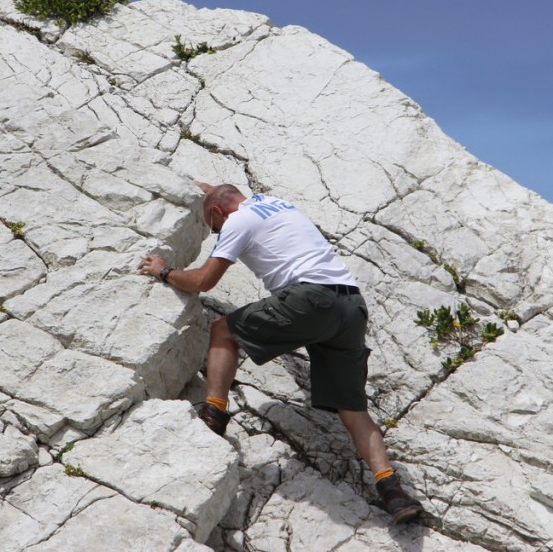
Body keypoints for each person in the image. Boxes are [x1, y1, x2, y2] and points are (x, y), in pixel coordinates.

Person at [137, 182, 424, 524]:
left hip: (310, 301)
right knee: (352, 409)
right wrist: (201, 187)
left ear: (218, 213)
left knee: (223, 330)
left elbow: (203, 281)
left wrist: (165, 271)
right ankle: (393, 492)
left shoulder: (237, 222)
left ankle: (214, 416)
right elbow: (222, 193)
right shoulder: (276, 204)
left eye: (214, 227)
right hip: (351, 308)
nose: (218, 232)